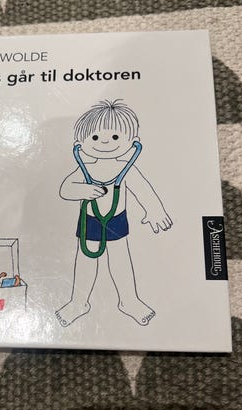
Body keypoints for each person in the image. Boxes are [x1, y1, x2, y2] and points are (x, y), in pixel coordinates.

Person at [56, 99, 172, 327]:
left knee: (121, 261)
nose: (105, 142)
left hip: (116, 220)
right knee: (86, 261)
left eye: (116, 137)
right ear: (80, 143)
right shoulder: (85, 168)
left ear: (133, 142)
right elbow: (65, 189)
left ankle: (129, 301)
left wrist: (155, 210)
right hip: (89, 220)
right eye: (95, 138)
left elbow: (143, 190)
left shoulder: (126, 169)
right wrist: (83, 190)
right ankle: (78, 303)